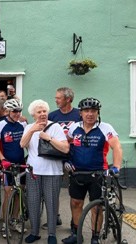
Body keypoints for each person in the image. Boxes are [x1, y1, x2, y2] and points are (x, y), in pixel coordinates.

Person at [61, 98, 122, 244]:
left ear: (97, 113)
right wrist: (66, 159)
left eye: (93, 111)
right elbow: (65, 144)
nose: (90, 114)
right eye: (86, 111)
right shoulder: (73, 128)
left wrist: (116, 167)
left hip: (98, 173)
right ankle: (76, 234)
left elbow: (117, 147)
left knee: (97, 207)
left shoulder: (105, 128)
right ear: (80, 113)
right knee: (76, 203)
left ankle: (95, 237)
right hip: (77, 173)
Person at [20, 100, 69, 244]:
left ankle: (52, 234)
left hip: (53, 172)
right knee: (33, 202)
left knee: (51, 203)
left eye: (44, 111)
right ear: (33, 114)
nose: (42, 114)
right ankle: (34, 232)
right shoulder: (29, 127)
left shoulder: (55, 127)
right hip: (33, 171)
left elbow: (65, 148)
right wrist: (32, 130)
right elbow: (23, 144)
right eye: (39, 112)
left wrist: (48, 138)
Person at [43, 87, 80, 229]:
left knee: (75, 193)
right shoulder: (52, 116)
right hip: (57, 157)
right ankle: (55, 218)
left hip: (75, 158)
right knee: (54, 190)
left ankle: (75, 222)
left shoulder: (79, 115)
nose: (56, 100)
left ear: (68, 99)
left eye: (58, 97)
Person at [0, 99, 26, 237]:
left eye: (19, 111)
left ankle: (14, 219)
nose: (17, 114)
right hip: (7, 163)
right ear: (7, 111)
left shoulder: (23, 124)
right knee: (8, 192)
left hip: (21, 162)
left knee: (20, 192)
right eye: (14, 111)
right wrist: (2, 159)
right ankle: (5, 223)